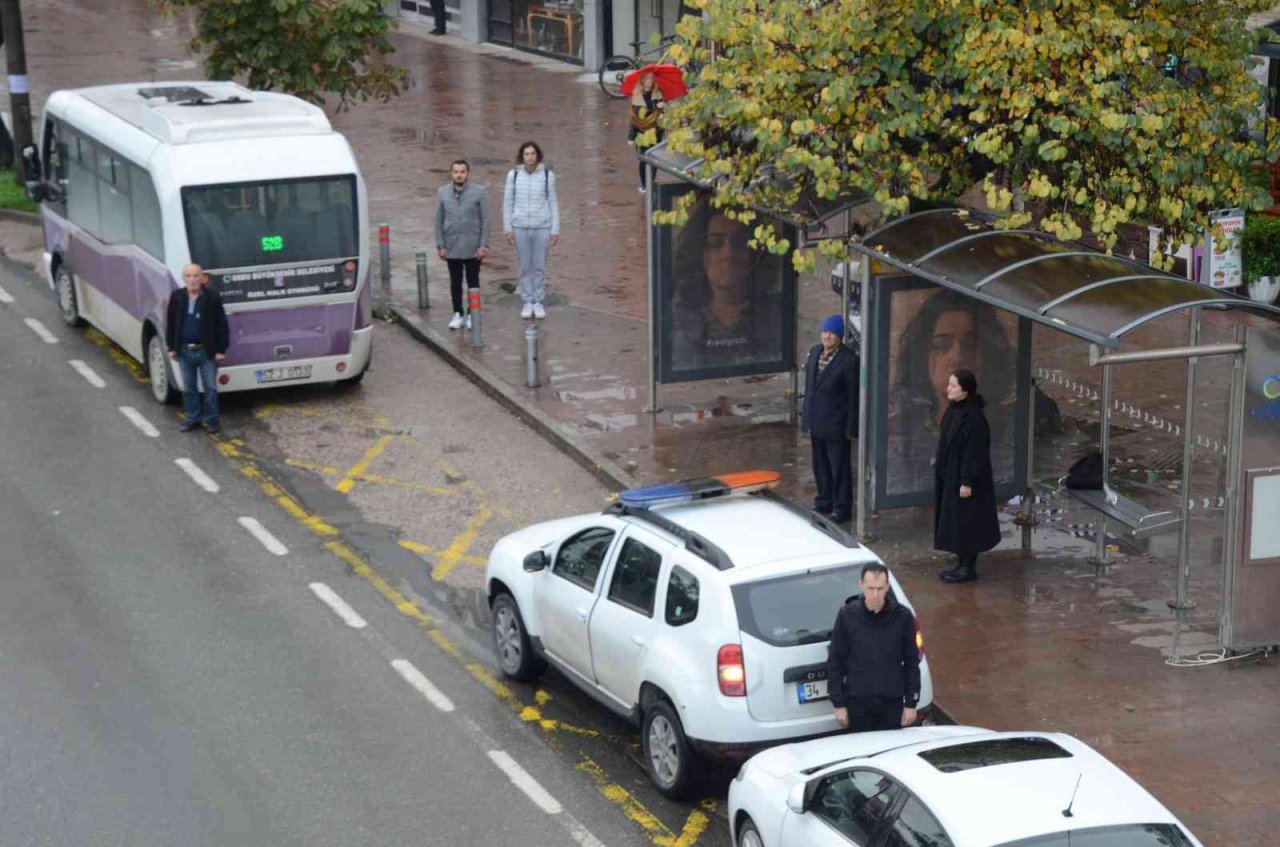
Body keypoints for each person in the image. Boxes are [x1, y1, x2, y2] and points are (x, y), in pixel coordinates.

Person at [888, 288, 1014, 495]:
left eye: (970, 344)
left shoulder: (1012, 428)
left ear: (988, 354)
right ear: (923, 356)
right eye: (941, 345)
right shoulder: (899, 431)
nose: (957, 356)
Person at [669, 198, 784, 371]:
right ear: (698, 252)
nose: (728, 253)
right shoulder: (677, 322)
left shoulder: (777, 316)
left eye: (739, 243)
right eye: (715, 243)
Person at [826, 563, 922, 733]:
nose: (875, 594)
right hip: (858, 703)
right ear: (861, 585)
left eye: (880, 588)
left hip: (892, 702)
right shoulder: (847, 615)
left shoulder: (902, 616)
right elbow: (835, 661)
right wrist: (839, 704)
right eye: (870, 588)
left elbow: (911, 662)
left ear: (887, 587)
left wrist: (911, 704)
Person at [934, 368, 1001, 583]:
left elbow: (975, 452)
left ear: (965, 390)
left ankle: (968, 567)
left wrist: (967, 481)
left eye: (953, 386)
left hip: (965, 479)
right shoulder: (955, 409)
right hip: (951, 473)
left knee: (967, 521)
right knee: (956, 520)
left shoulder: (974, 417)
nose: (948, 389)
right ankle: (961, 562)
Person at [802, 314, 860, 523]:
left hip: (836, 426)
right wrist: (806, 419)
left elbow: (853, 397)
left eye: (831, 333)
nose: (826, 336)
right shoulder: (815, 352)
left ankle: (841, 508)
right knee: (820, 467)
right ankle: (824, 501)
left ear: (839, 336)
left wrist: (851, 429)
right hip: (816, 423)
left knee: (839, 469)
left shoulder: (849, 360)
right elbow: (810, 389)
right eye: (824, 331)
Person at [165, 263, 230, 434]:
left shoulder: (212, 298)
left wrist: (221, 350)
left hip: (206, 351)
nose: (192, 280)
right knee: (189, 388)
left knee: (210, 388)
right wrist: (172, 347)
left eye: (196, 276)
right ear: (183, 278)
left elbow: (222, 325)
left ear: (202, 278)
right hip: (184, 351)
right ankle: (192, 419)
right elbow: (171, 324)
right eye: (189, 276)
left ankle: (212, 421)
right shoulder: (177, 297)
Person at [502, 140, 560, 321]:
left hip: (541, 226)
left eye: (533, 154)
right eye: (527, 154)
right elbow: (508, 202)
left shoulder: (547, 175)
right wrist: (507, 227)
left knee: (539, 266)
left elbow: (552, 202)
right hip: (520, 226)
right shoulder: (514, 175)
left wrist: (555, 229)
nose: (530, 157)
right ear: (522, 156)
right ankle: (527, 300)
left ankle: (538, 301)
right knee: (524, 266)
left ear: (538, 156)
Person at [435, 159, 490, 330]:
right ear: (451, 173)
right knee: (455, 281)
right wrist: (440, 244)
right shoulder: (442, 192)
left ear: (467, 173)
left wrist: (483, 245)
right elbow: (438, 220)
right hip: (452, 245)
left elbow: (485, 220)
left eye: (462, 171)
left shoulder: (479, 192)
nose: (459, 175)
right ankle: (457, 312)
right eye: (456, 171)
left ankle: (473, 313)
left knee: (473, 281)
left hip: (473, 246)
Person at [627, 71, 665, 193]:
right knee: (644, 159)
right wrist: (631, 137)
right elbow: (633, 119)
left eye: (652, 78)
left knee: (654, 159)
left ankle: (651, 183)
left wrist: (662, 108)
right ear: (642, 80)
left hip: (655, 132)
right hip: (642, 132)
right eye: (647, 78)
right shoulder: (636, 96)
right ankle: (644, 183)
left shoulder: (658, 94)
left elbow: (663, 115)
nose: (650, 80)